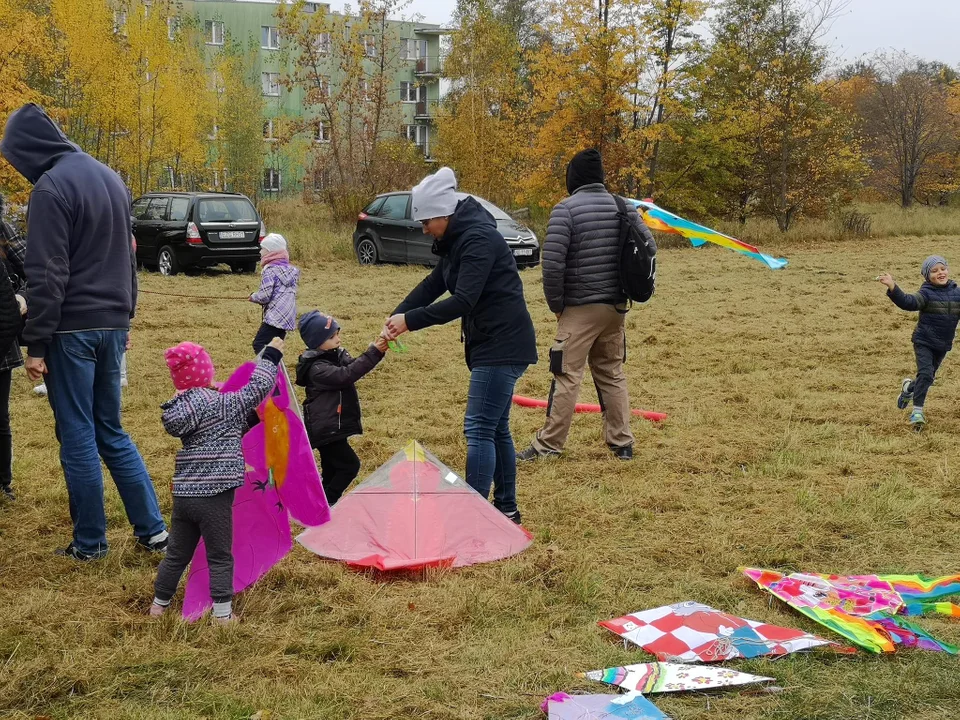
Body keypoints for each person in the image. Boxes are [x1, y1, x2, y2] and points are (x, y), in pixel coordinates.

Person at [0, 103, 167, 559]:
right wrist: (124, 316)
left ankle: (90, 543)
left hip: (72, 330)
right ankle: (153, 531)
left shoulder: (51, 188)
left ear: (29, 150)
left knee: (76, 433)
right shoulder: (110, 177)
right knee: (110, 429)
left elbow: (47, 273)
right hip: (111, 324)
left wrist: (36, 343)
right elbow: (128, 258)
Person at [383, 167, 537, 525]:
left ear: (443, 214)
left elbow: (464, 300)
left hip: (503, 344)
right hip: (492, 342)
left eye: (426, 222)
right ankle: (507, 510)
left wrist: (412, 321)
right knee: (496, 428)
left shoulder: (478, 239)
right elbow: (434, 283)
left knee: (479, 428)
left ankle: (474, 518)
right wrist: (398, 314)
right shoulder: (456, 241)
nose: (424, 230)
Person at [517, 149, 654, 462]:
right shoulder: (624, 206)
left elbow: (552, 265)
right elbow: (647, 247)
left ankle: (548, 445)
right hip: (616, 307)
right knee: (611, 372)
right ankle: (622, 444)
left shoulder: (565, 210)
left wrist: (557, 306)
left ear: (572, 178)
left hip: (579, 309)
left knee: (566, 374)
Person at [150, 337, 285, 623]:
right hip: (215, 496)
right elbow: (257, 388)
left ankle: (158, 606)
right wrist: (271, 355)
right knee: (220, 554)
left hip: (185, 495)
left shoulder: (182, 408)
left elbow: (221, 426)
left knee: (176, 553)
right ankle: (223, 615)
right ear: (205, 373)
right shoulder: (223, 405)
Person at [296, 311, 388, 505]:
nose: (338, 339)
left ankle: (318, 503)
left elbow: (354, 365)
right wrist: (374, 353)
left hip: (333, 425)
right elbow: (346, 375)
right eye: (332, 336)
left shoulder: (334, 355)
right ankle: (326, 505)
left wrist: (375, 348)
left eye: (337, 333)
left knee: (331, 471)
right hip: (326, 429)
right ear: (316, 341)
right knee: (349, 466)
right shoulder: (317, 369)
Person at [878, 255, 960, 427]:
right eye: (934, 271)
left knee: (928, 377)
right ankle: (917, 412)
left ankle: (908, 389)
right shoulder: (926, 293)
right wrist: (893, 287)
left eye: (943, 269)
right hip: (924, 341)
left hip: (943, 345)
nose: (940, 273)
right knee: (925, 373)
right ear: (927, 275)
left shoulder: (956, 293)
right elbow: (909, 302)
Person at [0, 198, 27, 502]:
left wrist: (20, 298)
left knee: (0, 417)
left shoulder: (4, 229)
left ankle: (3, 482)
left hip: (2, 338)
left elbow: (37, 268)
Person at [249, 233, 299, 354]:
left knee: (260, 343)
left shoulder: (270, 271)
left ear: (271, 252)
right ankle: (276, 368)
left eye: (263, 249)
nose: (260, 252)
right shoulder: (290, 271)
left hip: (275, 316)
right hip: (287, 315)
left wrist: (253, 297)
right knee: (275, 345)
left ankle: (269, 369)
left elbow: (264, 296)